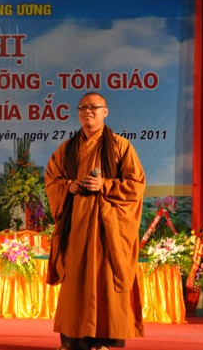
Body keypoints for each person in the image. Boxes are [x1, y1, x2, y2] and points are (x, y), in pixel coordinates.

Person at [44, 92, 145, 350]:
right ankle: (73, 341)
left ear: (105, 112)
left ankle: (105, 340)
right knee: (75, 283)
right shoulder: (67, 149)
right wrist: (69, 186)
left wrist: (105, 185)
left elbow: (136, 185)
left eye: (93, 107)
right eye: (82, 108)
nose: (87, 111)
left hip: (108, 231)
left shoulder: (120, 146)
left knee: (107, 283)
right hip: (76, 229)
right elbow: (52, 180)